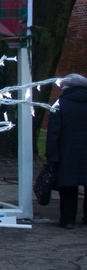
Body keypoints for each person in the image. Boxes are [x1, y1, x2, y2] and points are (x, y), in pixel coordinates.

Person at [47, 73, 87, 228]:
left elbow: (53, 133)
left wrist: (52, 156)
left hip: (67, 152)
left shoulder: (60, 104)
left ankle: (68, 219)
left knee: (68, 187)